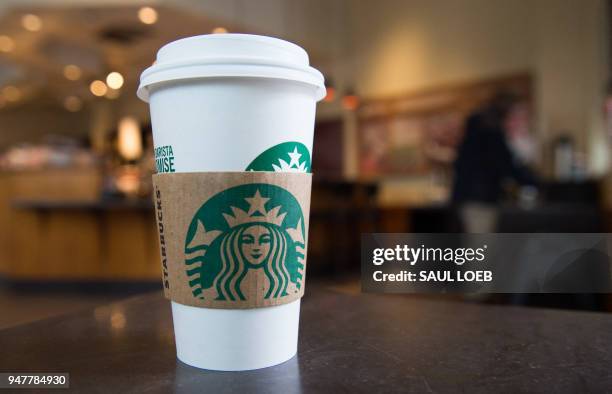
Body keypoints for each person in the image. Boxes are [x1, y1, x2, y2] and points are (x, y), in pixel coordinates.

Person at [451, 92, 537, 232]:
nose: (519, 121)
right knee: (480, 250)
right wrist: (536, 182)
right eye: (516, 115)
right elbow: (507, 166)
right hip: (479, 200)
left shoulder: (480, 127)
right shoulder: (490, 131)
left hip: (469, 198)